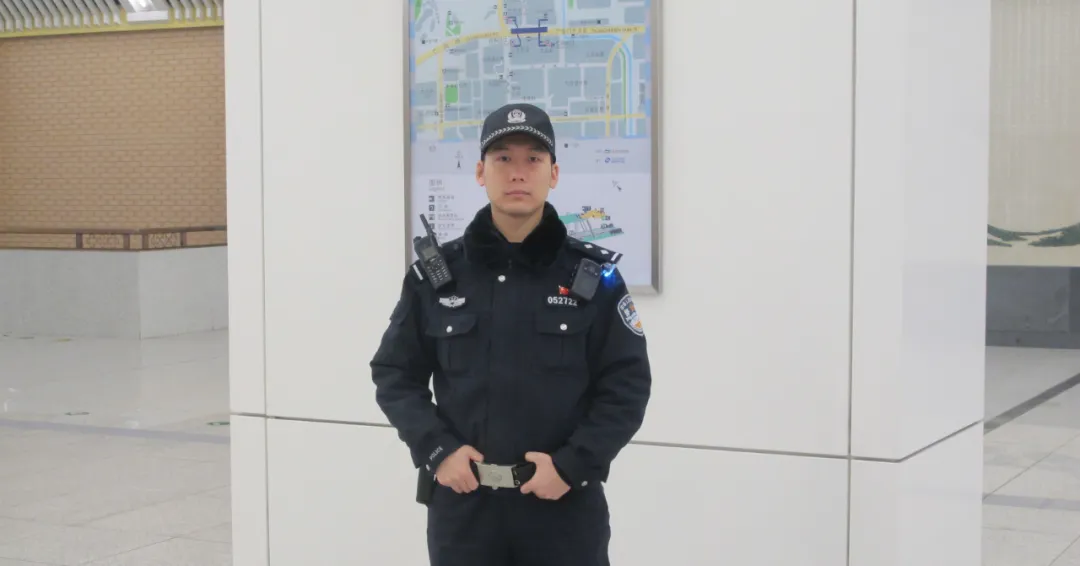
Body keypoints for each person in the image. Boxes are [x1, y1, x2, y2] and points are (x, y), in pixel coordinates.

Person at [370, 102, 652, 566]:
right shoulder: (437, 278)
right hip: (465, 513)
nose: (518, 172)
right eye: (503, 158)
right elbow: (394, 373)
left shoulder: (592, 277)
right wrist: (437, 450)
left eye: (533, 159)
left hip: (563, 510)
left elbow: (627, 385)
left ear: (553, 173)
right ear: (481, 172)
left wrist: (572, 466)